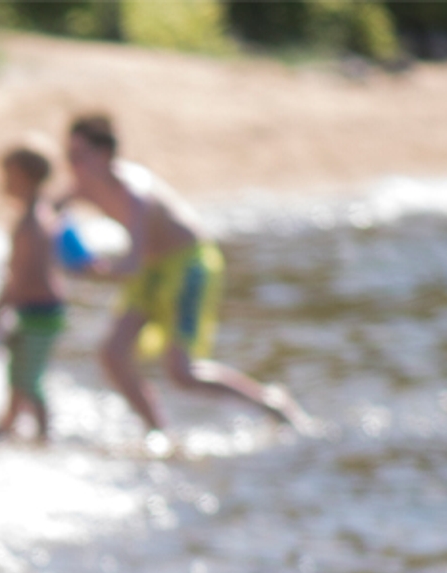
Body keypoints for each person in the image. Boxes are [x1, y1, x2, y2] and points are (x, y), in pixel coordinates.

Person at [57, 113, 308, 437]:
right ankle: (156, 430)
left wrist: (89, 272)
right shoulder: (83, 188)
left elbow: (129, 265)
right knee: (112, 354)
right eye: (69, 156)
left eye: (79, 156)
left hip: (189, 265)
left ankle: (271, 403)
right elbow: (46, 214)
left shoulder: (135, 191)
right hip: (151, 269)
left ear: (103, 154)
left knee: (182, 373)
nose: (71, 164)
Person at [0, 140, 70, 445]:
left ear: (25, 178)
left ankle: (41, 437)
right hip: (35, 309)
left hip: (39, 311)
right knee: (20, 376)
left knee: (27, 380)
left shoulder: (32, 223)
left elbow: (21, 275)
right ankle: (12, 427)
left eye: (8, 175)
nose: (3, 182)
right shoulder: (39, 216)